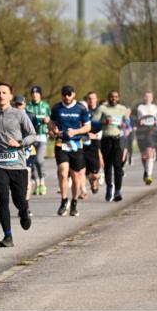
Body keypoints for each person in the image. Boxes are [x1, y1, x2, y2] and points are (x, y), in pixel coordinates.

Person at [0, 82, 37, 248]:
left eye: (4, 93)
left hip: (18, 165)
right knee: (3, 199)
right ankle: (7, 236)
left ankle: (24, 211)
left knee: (19, 200)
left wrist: (20, 143)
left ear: (10, 96)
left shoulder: (20, 115)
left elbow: (33, 135)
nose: (1, 95)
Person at [50, 85, 91, 217]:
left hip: (76, 145)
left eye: (69, 94)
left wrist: (75, 132)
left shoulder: (81, 108)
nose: (67, 97)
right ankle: (64, 201)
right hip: (61, 144)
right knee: (63, 173)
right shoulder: (57, 108)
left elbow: (87, 127)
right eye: (64, 94)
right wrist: (54, 129)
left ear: (74, 94)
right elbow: (51, 122)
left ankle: (74, 202)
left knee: (76, 175)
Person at [93, 90, 129, 202]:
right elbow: (92, 122)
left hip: (118, 139)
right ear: (108, 98)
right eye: (112, 97)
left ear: (119, 98)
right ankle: (109, 186)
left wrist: (124, 125)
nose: (114, 99)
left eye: (116, 97)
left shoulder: (122, 109)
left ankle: (118, 191)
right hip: (106, 139)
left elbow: (127, 123)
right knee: (108, 165)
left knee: (118, 166)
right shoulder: (102, 108)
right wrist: (104, 122)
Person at [25, 86, 52, 195]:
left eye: (37, 93)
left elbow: (51, 119)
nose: (35, 95)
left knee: (39, 160)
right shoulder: (28, 107)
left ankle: (42, 183)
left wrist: (48, 120)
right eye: (33, 93)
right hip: (31, 137)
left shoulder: (45, 106)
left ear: (40, 94)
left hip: (42, 136)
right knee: (32, 161)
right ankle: (37, 184)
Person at [133, 92, 157, 184]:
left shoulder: (155, 107)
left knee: (150, 152)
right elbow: (132, 118)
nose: (148, 98)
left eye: (150, 97)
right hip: (141, 131)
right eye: (146, 96)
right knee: (143, 155)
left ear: (152, 98)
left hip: (151, 131)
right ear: (143, 97)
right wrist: (138, 122)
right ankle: (146, 170)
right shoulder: (138, 107)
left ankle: (149, 175)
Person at [81, 92, 104, 196]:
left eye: (93, 98)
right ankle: (83, 190)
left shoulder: (100, 110)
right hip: (84, 140)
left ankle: (100, 173)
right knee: (82, 168)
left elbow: (103, 125)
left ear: (96, 99)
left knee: (99, 155)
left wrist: (96, 135)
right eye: (89, 98)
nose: (91, 100)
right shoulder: (83, 111)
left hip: (97, 139)